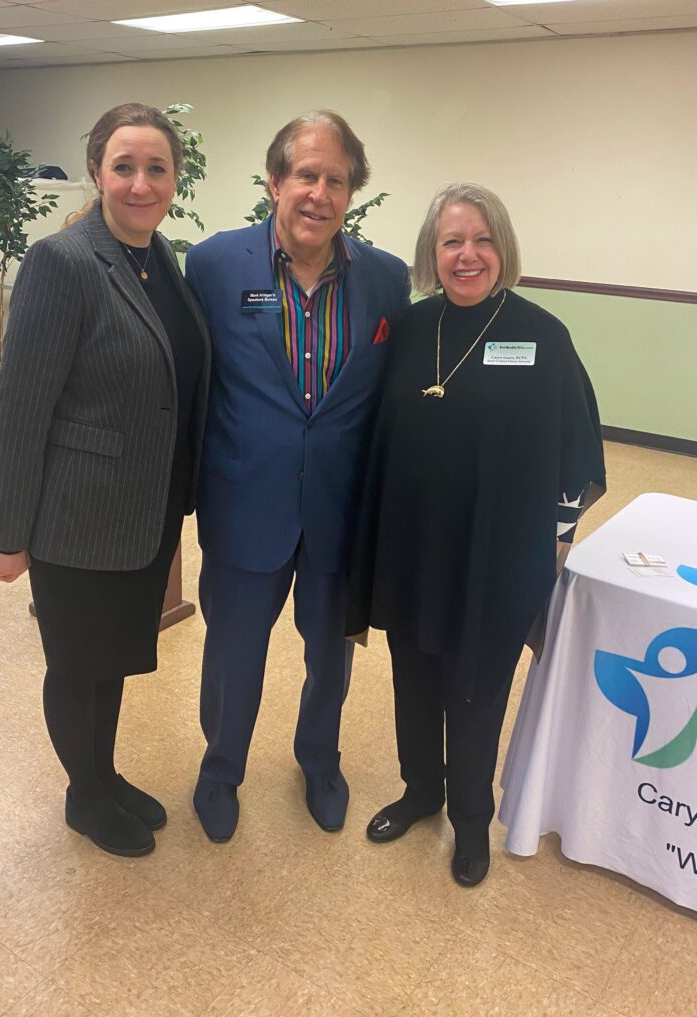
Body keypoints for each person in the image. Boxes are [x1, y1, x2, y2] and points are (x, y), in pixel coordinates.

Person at [347, 182, 606, 886]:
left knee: (477, 683)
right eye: (452, 241)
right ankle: (420, 792)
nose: (467, 255)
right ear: (434, 252)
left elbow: (577, 455)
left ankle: (469, 819)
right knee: (414, 674)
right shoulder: (407, 328)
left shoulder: (542, 335)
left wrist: (554, 543)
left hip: (496, 552)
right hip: (412, 544)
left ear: (503, 249)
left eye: (482, 239)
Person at [0, 102, 211, 858]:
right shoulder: (63, 262)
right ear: (96, 172)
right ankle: (83, 795)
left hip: (145, 513)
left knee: (112, 655)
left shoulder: (160, 257)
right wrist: (9, 537)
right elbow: (19, 408)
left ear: (174, 178)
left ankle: (104, 774)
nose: (141, 183)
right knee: (77, 663)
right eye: (125, 166)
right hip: (77, 516)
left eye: (156, 168)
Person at [185, 110, 410, 842]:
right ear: (274, 182)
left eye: (335, 180)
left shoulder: (384, 279)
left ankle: (320, 760)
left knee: (330, 657)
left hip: (338, 513)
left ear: (352, 192)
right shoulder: (215, 266)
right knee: (233, 656)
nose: (318, 193)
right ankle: (220, 770)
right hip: (245, 504)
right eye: (305, 175)